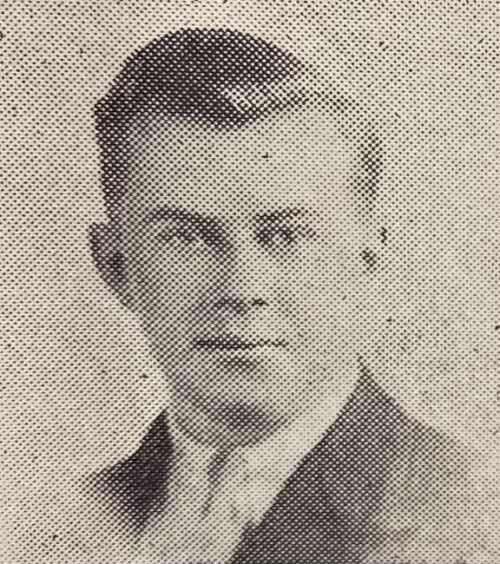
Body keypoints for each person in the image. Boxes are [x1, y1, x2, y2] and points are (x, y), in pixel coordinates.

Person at [87, 27, 483, 563]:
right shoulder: (60, 522)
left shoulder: (469, 511)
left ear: (366, 255)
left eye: (289, 236)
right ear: (116, 266)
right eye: (186, 237)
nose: (242, 288)